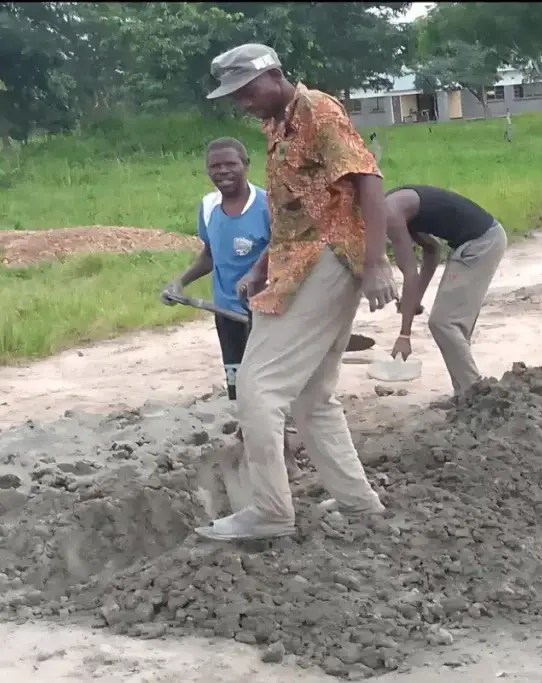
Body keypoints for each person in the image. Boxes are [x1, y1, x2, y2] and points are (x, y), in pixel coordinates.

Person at [196, 43, 398, 541]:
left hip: (329, 260)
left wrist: (377, 263)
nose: (242, 102)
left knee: (257, 387)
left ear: (275, 76)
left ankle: (268, 510)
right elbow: (296, 211)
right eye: (234, 96)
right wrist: (263, 265)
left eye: (246, 91)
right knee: (312, 396)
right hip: (299, 261)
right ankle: (357, 502)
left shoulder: (318, 111)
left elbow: (369, 181)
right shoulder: (276, 124)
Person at [160, 138, 303, 476]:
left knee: (266, 386)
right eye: (215, 166)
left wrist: (260, 281)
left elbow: (289, 255)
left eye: (229, 164)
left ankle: (285, 456)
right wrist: (180, 282)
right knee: (240, 383)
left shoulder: (268, 206)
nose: (222, 171)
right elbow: (210, 255)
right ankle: (254, 440)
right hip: (227, 313)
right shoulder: (209, 207)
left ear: (245, 164)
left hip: (266, 312)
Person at [384, 185, 507, 397]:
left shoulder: (389, 213)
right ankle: (463, 394)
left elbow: (410, 273)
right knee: (451, 327)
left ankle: (473, 394)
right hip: (480, 239)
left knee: (444, 323)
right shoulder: (394, 204)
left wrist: (404, 335)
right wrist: (412, 302)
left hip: (481, 243)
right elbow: (432, 251)